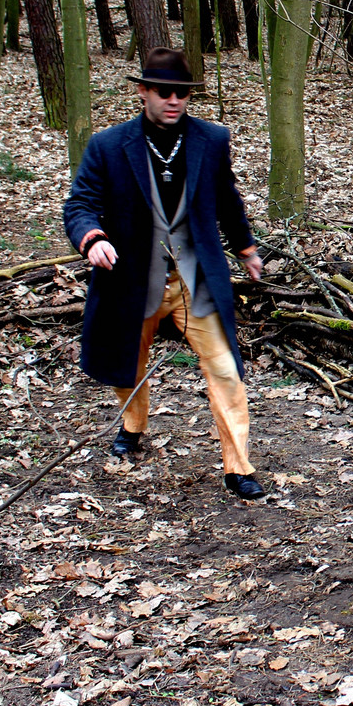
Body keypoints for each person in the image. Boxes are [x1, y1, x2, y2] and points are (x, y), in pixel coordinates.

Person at [63, 47, 268, 500]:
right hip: (134, 280)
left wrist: (247, 249)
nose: (173, 100)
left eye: (181, 93)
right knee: (127, 367)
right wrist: (93, 238)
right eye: (163, 92)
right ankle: (133, 428)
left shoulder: (210, 140)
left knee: (225, 370)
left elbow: (227, 200)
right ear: (143, 92)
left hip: (196, 279)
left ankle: (237, 468)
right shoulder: (109, 146)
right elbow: (79, 204)